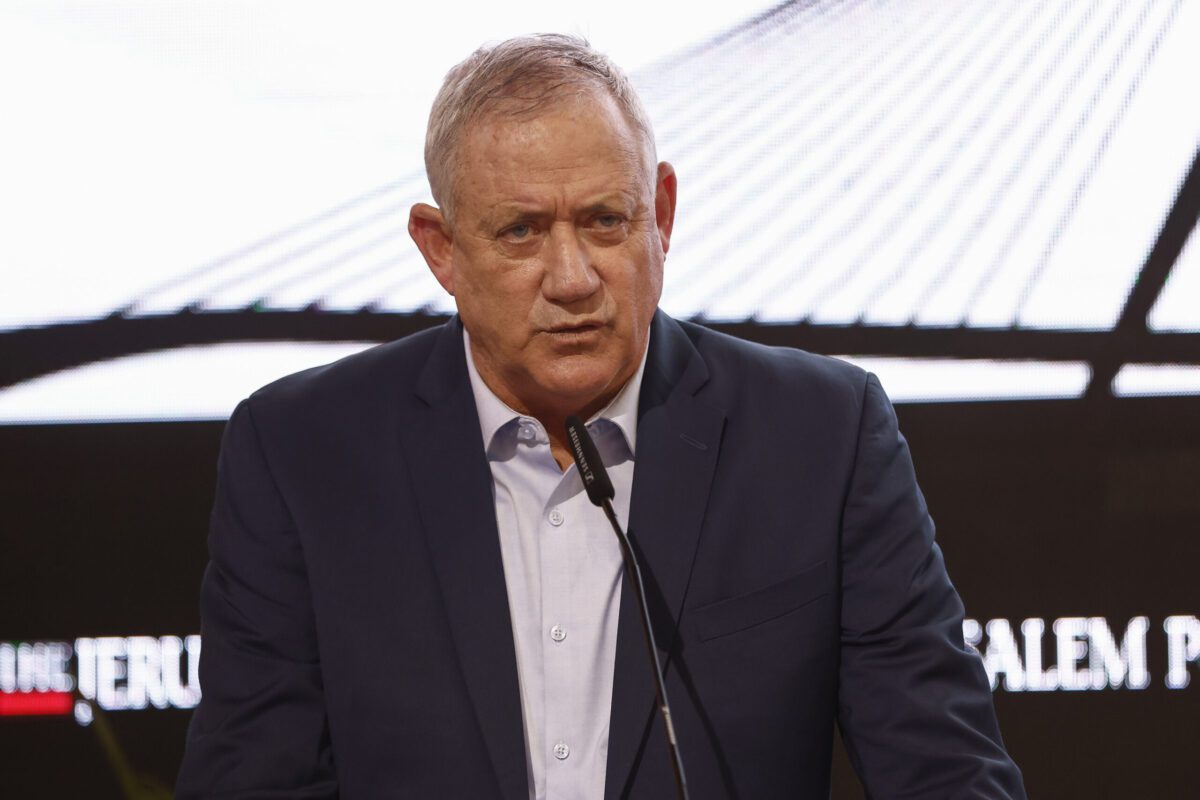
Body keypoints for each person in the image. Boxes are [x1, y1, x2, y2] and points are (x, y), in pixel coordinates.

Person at [177, 34, 1026, 799]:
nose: (573, 278)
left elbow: (946, 772)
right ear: (442, 250)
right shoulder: (302, 454)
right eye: (521, 231)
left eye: (605, 221)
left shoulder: (821, 438)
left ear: (662, 213)